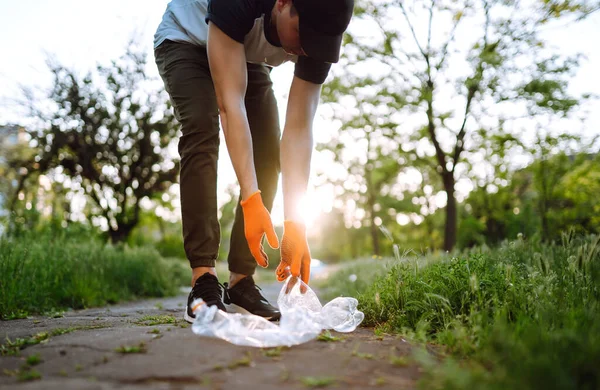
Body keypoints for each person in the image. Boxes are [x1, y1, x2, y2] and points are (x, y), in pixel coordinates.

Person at [153, 0, 354, 323]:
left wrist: (295, 224)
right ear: (283, 3)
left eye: (316, 42)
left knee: (266, 150)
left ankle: (241, 281)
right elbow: (230, 105)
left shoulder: (321, 36)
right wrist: (250, 198)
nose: (305, 49)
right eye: (302, 33)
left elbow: (299, 130)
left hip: (244, 51)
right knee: (202, 130)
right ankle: (203, 278)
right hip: (186, 38)